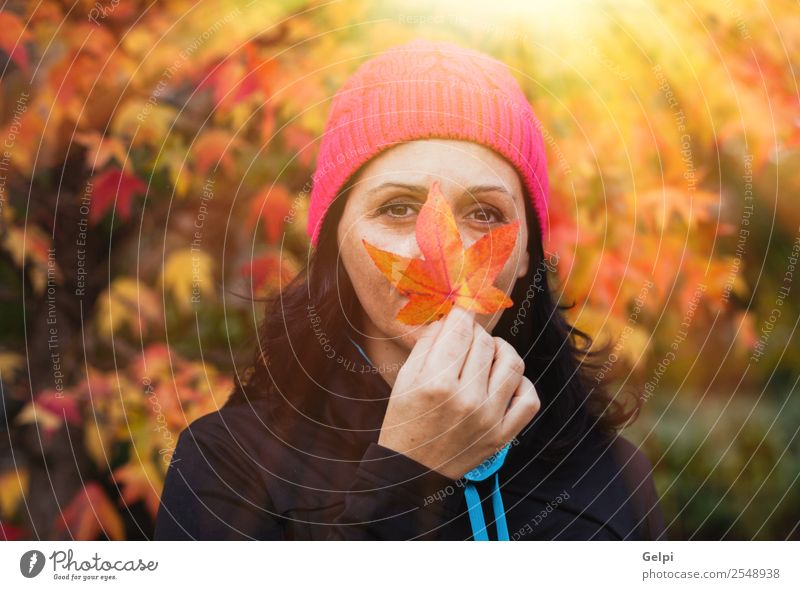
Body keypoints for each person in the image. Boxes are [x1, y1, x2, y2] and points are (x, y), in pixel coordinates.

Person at [154, 38, 668, 541]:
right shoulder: (229, 463)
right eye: (398, 207)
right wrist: (407, 473)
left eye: (485, 213)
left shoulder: (614, 476)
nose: (439, 248)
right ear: (335, 240)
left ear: (525, 258)